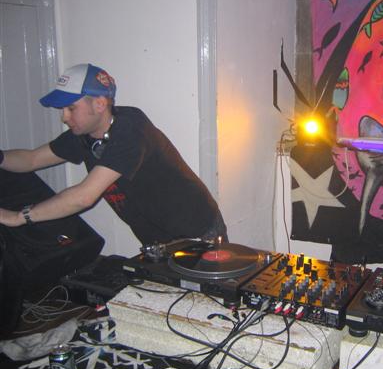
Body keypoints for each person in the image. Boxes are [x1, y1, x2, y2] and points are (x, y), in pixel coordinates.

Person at [0, 63, 227, 246]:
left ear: (99, 104)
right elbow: (31, 159)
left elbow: (84, 197)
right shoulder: (83, 133)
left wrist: (18, 217)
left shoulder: (131, 130)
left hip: (197, 233)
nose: (64, 117)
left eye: (71, 108)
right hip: (157, 242)